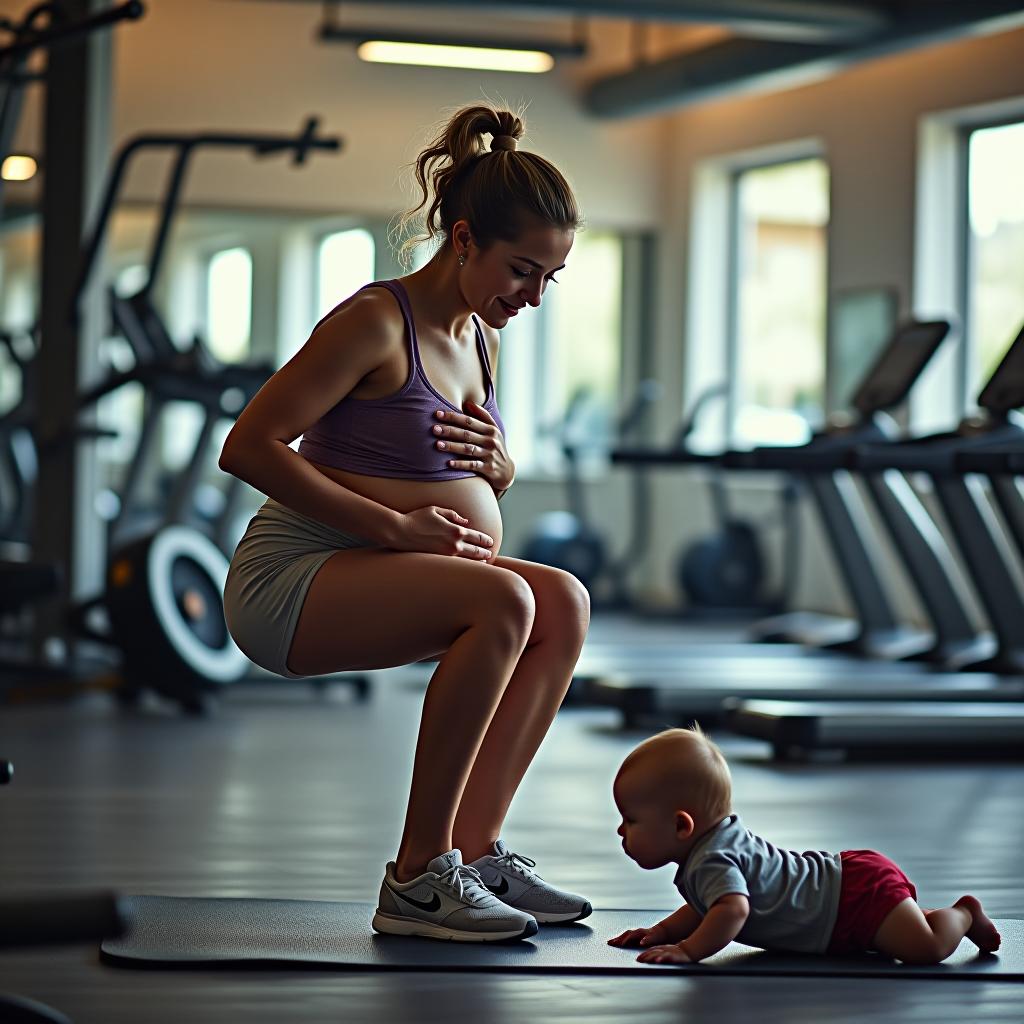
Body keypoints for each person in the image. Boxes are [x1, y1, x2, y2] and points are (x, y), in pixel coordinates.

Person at [218, 104, 593, 943]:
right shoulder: (375, 321)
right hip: (293, 582)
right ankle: (420, 877)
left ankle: (476, 848)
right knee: (505, 604)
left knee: (561, 600)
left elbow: (439, 468)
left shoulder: (476, 333)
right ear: (463, 240)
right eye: (522, 271)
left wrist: (500, 470)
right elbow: (249, 446)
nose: (532, 297)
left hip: (374, 570)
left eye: (548, 280)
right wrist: (392, 529)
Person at [608, 727, 1002, 965]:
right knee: (903, 933)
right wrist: (660, 932)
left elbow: (732, 909)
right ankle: (917, 914)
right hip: (843, 887)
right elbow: (702, 906)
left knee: (925, 949)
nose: (621, 831)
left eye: (631, 820)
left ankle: (962, 914)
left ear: (682, 824)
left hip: (851, 898)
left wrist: (690, 951)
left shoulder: (713, 858)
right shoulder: (709, 853)